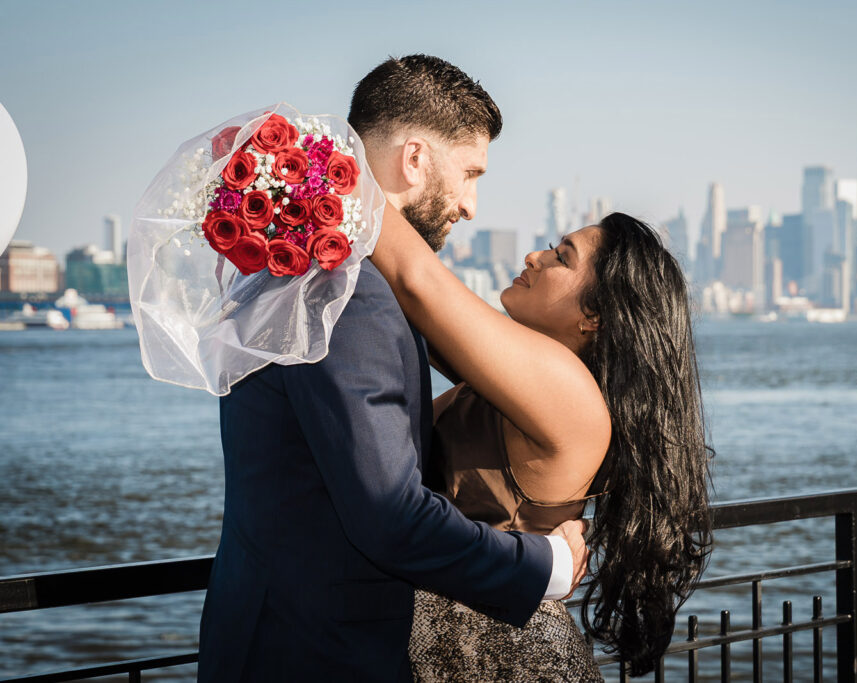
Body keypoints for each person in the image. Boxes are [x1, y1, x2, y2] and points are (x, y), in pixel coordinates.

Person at [197, 55, 589, 682]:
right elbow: (390, 515)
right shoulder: (348, 293)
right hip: (320, 656)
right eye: (469, 173)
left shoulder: (309, 271)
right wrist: (547, 566)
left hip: (274, 637)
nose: (470, 204)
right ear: (414, 159)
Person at [370, 205, 714, 678]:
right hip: (472, 643)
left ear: (593, 314)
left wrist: (323, 169)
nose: (535, 256)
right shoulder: (523, 382)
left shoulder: (567, 392)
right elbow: (409, 302)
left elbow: (415, 280)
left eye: (561, 257)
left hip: (507, 654)